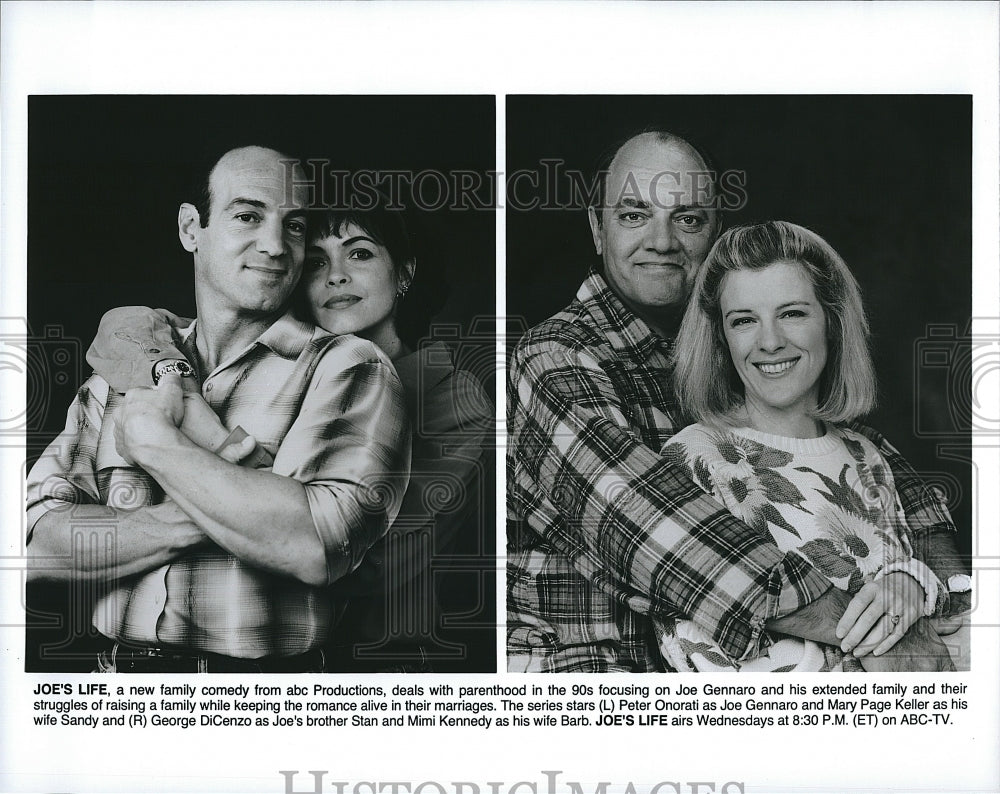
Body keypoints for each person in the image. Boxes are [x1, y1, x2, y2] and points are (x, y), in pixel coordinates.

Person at [506, 129, 966, 673]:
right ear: (596, 228)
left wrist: (920, 576)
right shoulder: (556, 356)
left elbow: (877, 469)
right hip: (587, 679)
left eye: (688, 218)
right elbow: (651, 527)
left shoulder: (731, 346)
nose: (661, 241)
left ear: (715, 234)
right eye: (633, 215)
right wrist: (883, 636)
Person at [25, 146, 411, 672]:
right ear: (192, 229)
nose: (275, 246)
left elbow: (317, 545)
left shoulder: (346, 367)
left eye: (293, 226)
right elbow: (38, 546)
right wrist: (232, 499)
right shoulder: (128, 366)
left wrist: (157, 447)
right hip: (117, 694)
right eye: (248, 216)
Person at [83, 191, 494, 672]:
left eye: (359, 253)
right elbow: (131, 324)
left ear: (404, 272)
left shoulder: (452, 398)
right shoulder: (277, 365)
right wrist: (184, 394)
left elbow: (356, 562)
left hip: (373, 665)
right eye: (317, 262)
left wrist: (198, 481)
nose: (336, 276)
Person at [659, 220, 968, 671]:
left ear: (833, 322)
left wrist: (912, 580)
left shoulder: (869, 458)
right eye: (744, 320)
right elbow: (692, 653)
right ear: (721, 340)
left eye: (792, 313)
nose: (769, 341)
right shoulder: (695, 457)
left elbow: (948, 638)